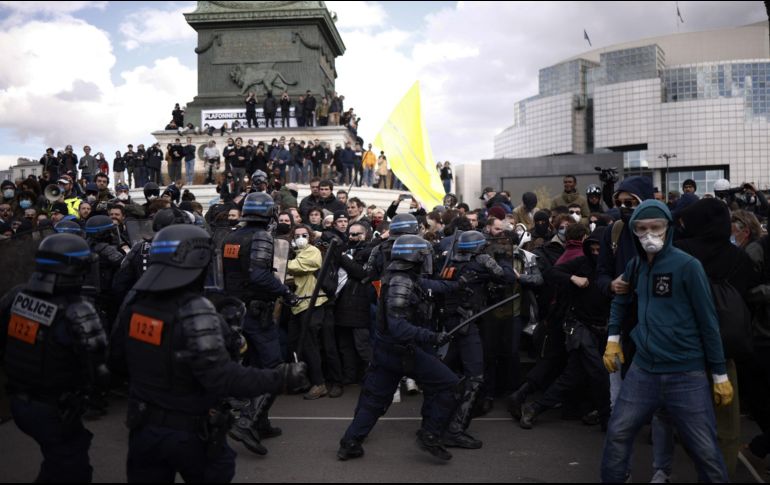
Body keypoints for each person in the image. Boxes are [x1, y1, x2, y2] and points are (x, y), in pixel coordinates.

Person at [109, 224, 308, 481]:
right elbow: (223, 378)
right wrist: (280, 378)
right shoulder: (194, 311)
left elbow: (116, 361)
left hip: (144, 429)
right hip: (188, 432)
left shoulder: (136, 306)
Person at [600, 200, 732, 483]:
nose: (649, 234)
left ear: (668, 228)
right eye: (642, 228)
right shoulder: (636, 266)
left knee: (705, 450)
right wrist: (613, 339)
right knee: (618, 433)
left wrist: (719, 372)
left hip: (687, 372)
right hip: (644, 369)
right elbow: (619, 301)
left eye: (656, 227)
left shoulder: (688, 266)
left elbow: (708, 322)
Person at [337, 235, 459, 461]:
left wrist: (458, 284)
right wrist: (432, 336)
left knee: (374, 400)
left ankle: (350, 442)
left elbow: (430, 286)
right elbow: (399, 327)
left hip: (388, 351)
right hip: (403, 350)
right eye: (425, 256)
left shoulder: (401, 277)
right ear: (415, 258)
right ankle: (430, 436)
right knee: (448, 385)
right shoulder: (401, 282)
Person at [0, 233, 109, 483]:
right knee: (72, 469)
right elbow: (99, 371)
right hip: (55, 408)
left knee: (56, 462)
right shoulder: (78, 311)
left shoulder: (16, 296)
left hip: (18, 401)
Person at [221, 192, 299, 455]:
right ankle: (246, 423)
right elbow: (258, 275)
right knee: (275, 368)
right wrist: (285, 292)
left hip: (236, 310)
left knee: (254, 367)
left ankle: (261, 423)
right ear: (269, 213)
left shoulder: (230, 236)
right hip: (256, 313)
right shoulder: (262, 237)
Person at [518, 226, 611, 430]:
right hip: (579, 326)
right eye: (592, 249)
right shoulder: (582, 263)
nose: (596, 253)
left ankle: (535, 407)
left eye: (599, 249)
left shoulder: (612, 266)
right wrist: (573, 278)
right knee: (597, 372)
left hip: (602, 327)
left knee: (573, 375)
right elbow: (552, 273)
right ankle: (607, 420)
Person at [439, 230, 517, 449]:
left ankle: (434, 422)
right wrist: (504, 260)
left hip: (452, 322)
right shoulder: (481, 261)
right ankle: (454, 430)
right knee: (475, 376)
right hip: (467, 324)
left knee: (445, 370)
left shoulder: (451, 260)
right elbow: (507, 277)